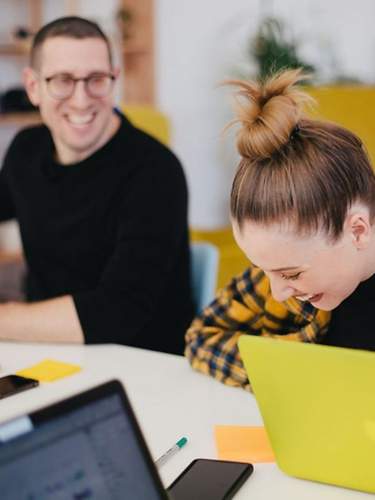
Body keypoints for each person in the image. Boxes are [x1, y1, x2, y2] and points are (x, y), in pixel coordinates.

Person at [0, 16, 194, 354]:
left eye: (96, 80)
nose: (80, 100)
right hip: (45, 352)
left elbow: (117, 311)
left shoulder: (156, 172)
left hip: (141, 364)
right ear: (33, 87)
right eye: (62, 81)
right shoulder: (25, 151)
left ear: (114, 79)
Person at [185, 68, 375, 390]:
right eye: (263, 268)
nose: (277, 292)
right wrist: (290, 373)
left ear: (357, 231)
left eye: (291, 274)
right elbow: (201, 337)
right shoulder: (284, 267)